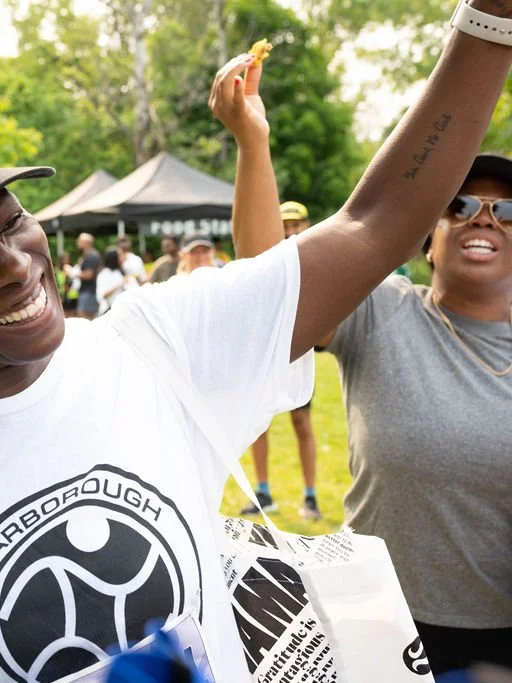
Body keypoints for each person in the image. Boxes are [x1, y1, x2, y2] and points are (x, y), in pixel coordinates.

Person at [0, 23, 512, 680]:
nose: (14, 263)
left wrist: (488, 19)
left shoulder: (157, 345)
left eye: (12, 220)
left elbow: (376, 221)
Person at [218, 43, 512, 674]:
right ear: (428, 239)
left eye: (507, 211)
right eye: (458, 206)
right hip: (373, 623)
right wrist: (253, 142)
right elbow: (268, 279)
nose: (482, 218)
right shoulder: (382, 311)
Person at [240, 202, 321, 520]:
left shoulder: (313, 256)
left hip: (297, 351)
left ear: (306, 225)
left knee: (302, 423)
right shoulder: (266, 258)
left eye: (295, 224)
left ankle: (310, 497)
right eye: (284, 224)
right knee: (258, 425)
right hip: (264, 351)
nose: (290, 230)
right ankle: (262, 492)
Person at [69, 232, 101, 319]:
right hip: (87, 292)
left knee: (84, 317)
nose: (77, 242)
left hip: (89, 292)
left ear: (87, 242)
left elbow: (89, 275)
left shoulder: (91, 255)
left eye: (79, 240)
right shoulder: (88, 255)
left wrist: (72, 273)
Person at [96, 246, 127, 315]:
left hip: (121, 311)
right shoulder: (104, 274)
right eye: (120, 255)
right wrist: (120, 284)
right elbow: (102, 295)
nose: (123, 257)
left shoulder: (120, 272)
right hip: (108, 312)